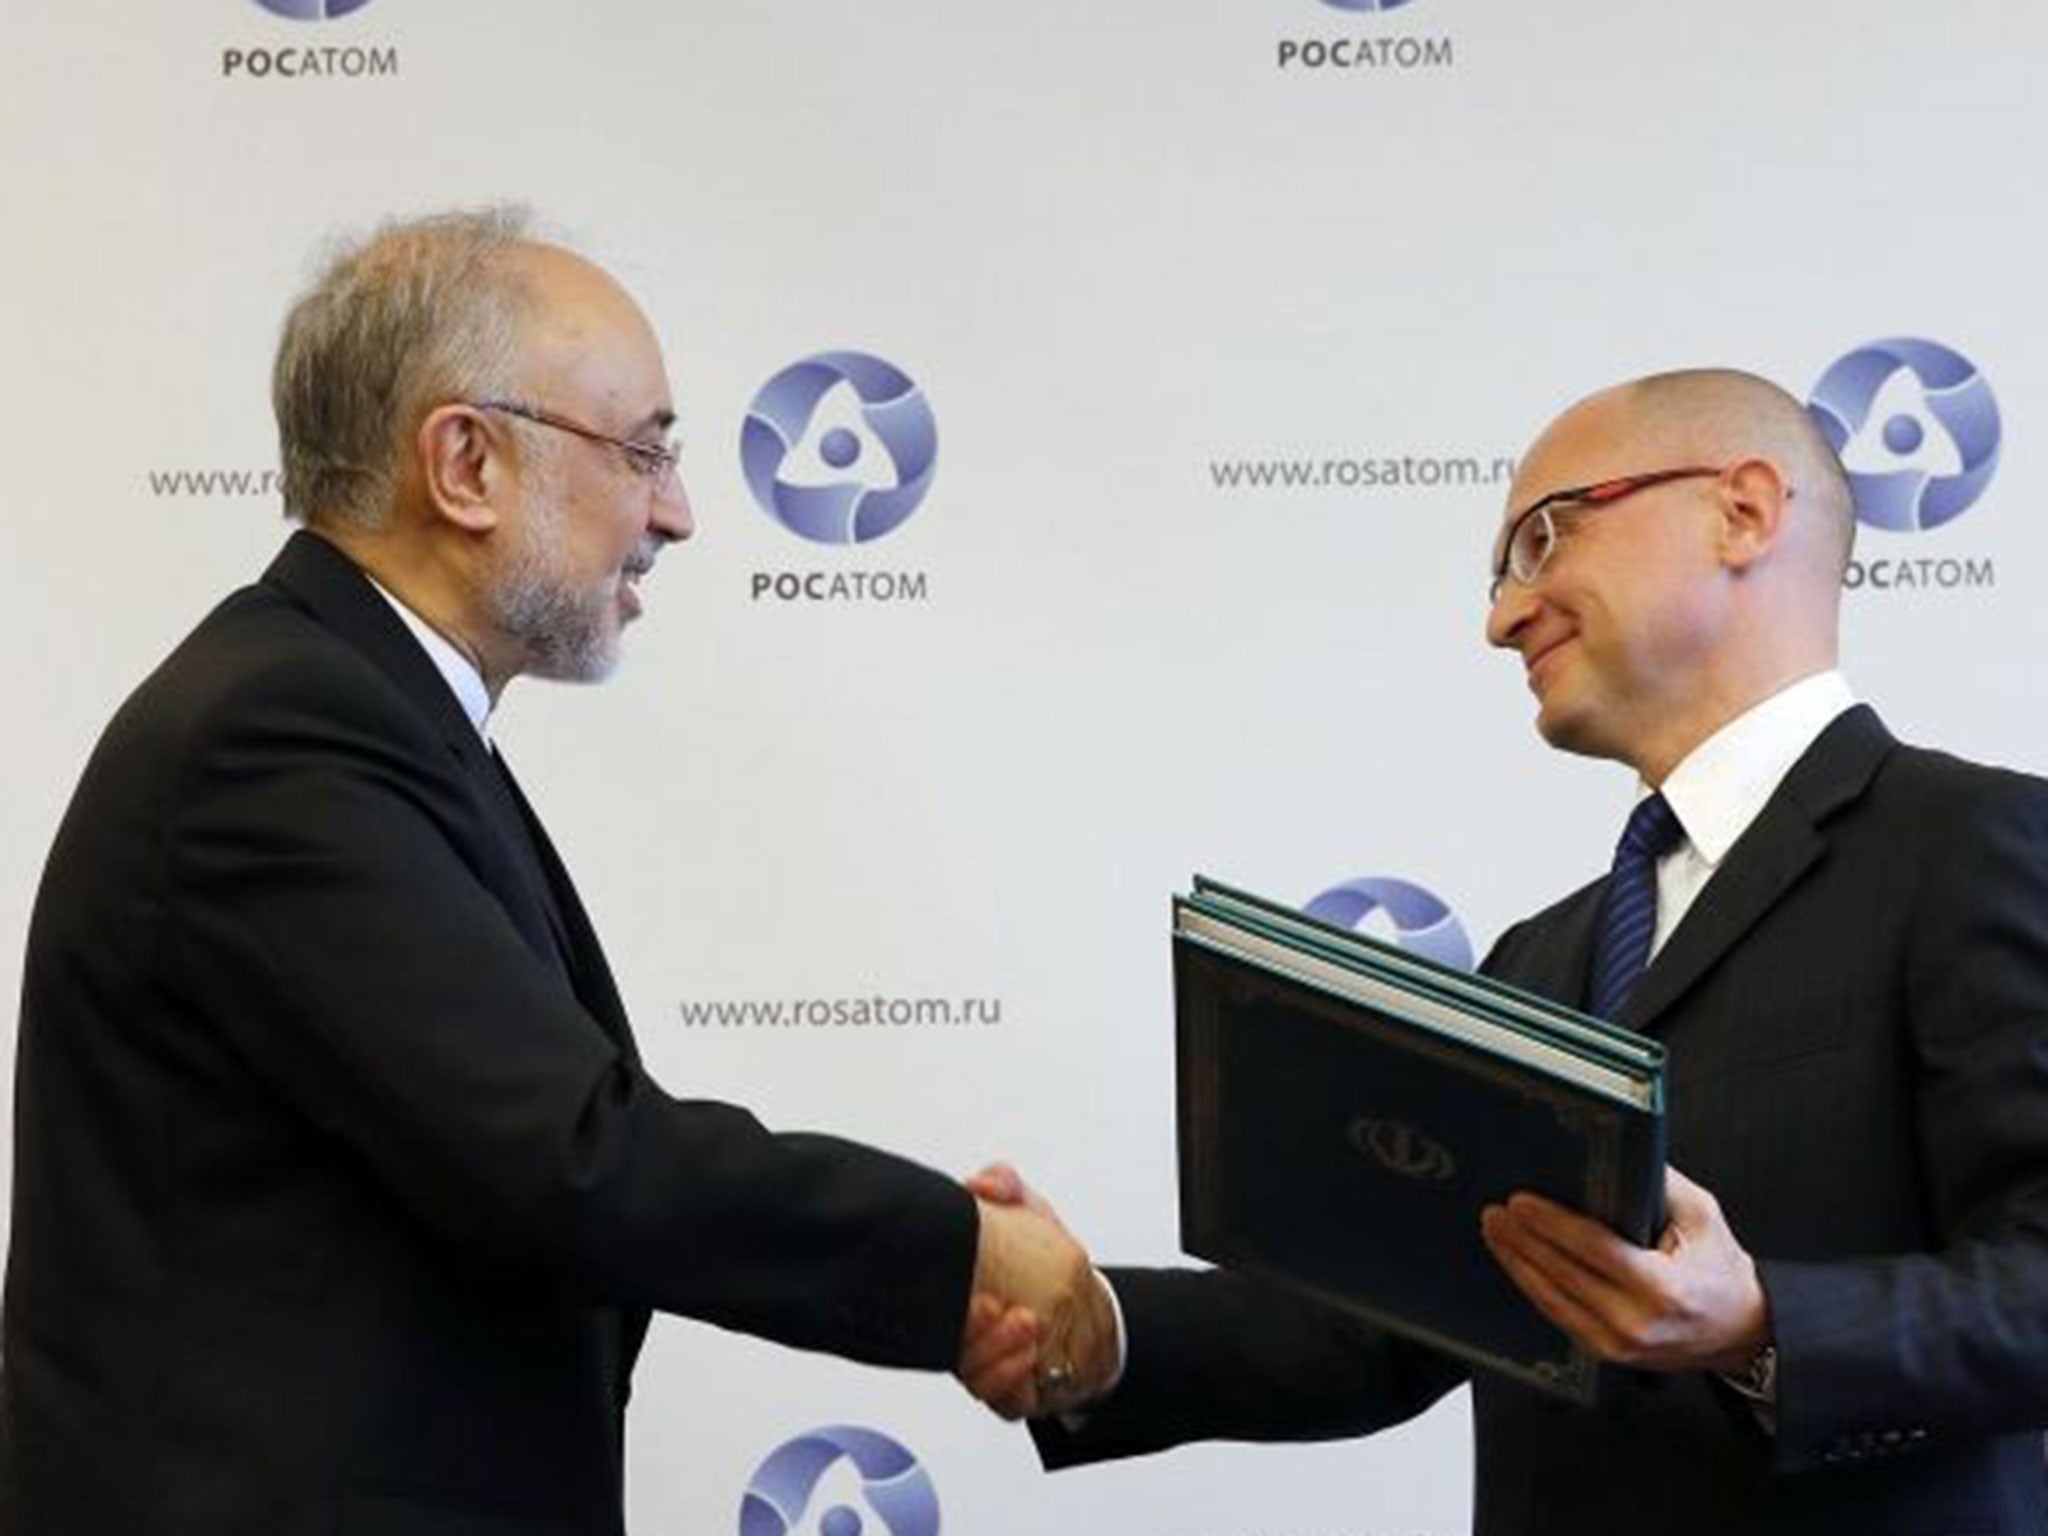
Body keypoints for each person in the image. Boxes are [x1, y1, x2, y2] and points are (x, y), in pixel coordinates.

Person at [0, 208, 1089, 1536]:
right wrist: (966, 1257)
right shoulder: (277, 731)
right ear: (466, 463)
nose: (678, 513)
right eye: (644, 451)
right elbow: (581, 1159)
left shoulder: (358, 705)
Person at [965, 369, 2048, 1533]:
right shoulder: (1540, 957)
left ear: (1741, 510)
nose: (1501, 618)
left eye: (1545, 538)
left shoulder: (1975, 843)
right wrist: (1097, 1329)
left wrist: (1761, 1324)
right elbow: (1376, 1328)